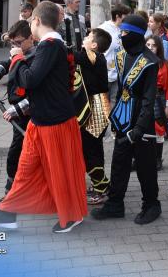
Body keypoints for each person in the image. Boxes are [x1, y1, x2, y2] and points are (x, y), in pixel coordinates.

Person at [0, 1, 88, 233]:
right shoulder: (51, 45)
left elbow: (30, 80)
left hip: (53, 121)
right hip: (43, 120)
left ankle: (72, 215)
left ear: (36, 20)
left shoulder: (50, 45)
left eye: (30, 22)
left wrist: (17, 58)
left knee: (60, 171)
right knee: (26, 169)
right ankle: (7, 213)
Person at [91, 14, 162, 225]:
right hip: (122, 119)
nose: (121, 36)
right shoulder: (121, 54)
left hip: (142, 124)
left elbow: (149, 100)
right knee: (119, 164)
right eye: (120, 32)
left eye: (125, 32)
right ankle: (115, 204)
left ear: (137, 34)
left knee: (145, 168)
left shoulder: (151, 62)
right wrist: (114, 116)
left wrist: (139, 129)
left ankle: (151, 205)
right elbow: (121, 89)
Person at [0, 21, 35, 193]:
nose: (15, 48)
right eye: (13, 44)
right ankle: (12, 184)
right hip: (20, 112)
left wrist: (16, 110)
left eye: (19, 43)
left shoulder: (37, 56)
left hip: (33, 112)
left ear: (31, 38)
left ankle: (20, 185)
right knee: (17, 148)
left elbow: (38, 90)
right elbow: (6, 64)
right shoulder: (20, 54)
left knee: (25, 149)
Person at [74, 28, 112, 205]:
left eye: (88, 37)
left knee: (90, 150)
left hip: (95, 110)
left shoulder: (94, 56)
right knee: (93, 149)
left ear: (94, 45)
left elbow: (75, 56)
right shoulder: (93, 58)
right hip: (96, 107)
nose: (85, 38)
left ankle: (102, 188)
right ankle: (100, 184)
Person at [145, 35, 168, 171]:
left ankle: (157, 159)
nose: (150, 48)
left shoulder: (164, 64)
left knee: (159, 129)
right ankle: (139, 159)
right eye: (148, 45)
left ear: (159, 48)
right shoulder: (140, 61)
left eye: (153, 45)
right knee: (141, 128)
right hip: (143, 98)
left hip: (158, 98)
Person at [98, 4, 131, 105]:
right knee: (103, 105)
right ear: (117, 16)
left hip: (119, 74)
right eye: (126, 17)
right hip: (104, 75)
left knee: (115, 102)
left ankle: (113, 121)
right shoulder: (103, 29)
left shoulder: (124, 29)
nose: (128, 19)